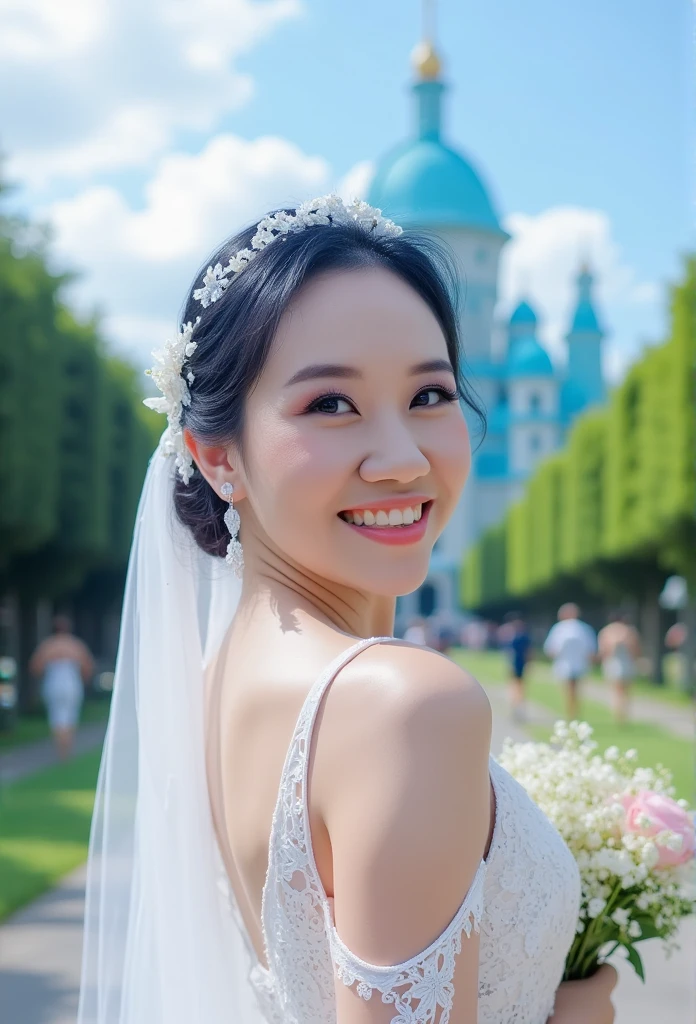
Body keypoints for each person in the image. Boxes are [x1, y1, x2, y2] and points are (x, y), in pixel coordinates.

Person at [78, 195, 617, 1024]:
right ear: (217, 457)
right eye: (331, 404)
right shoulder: (401, 707)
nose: (402, 460)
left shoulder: (215, 675)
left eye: (431, 395)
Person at [29, 614, 94, 761]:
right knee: (70, 715)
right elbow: (87, 666)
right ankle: (67, 749)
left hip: (53, 682)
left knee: (57, 716)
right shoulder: (75, 645)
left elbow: (35, 666)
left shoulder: (48, 646)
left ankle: (61, 750)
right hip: (71, 683)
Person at [543, 603, 598, 722]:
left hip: (565, 664)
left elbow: (551, 649)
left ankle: (570, 714)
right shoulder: (584, 628)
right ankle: (574, 714)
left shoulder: (559, 628)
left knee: (568, 691)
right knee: (575, 692)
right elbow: (591, 650)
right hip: (579, 664)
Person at [598, 611, 641, 724]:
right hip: (627, 663)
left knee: (615, 690)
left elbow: (603, 650)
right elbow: (636, 650)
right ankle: (624, 714)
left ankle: (618, 715)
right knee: (626, 691)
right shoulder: (629, 631)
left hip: (612, 663)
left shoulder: (607, 631)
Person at [501, 612, 532, 723]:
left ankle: (516, 706)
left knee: (516, 686)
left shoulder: (515, 637)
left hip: (517, 664)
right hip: (518, 663)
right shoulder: (522, 636)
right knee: (518, 686)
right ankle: (517, 706)